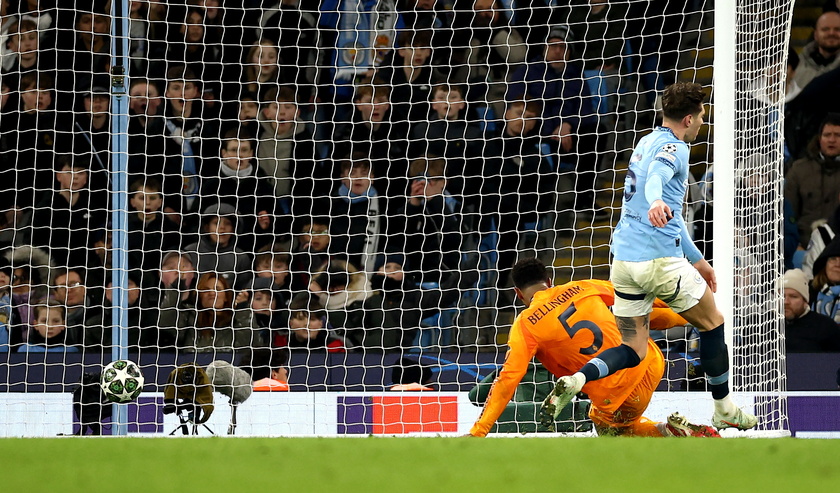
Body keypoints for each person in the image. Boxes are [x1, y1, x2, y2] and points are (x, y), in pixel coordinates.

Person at [546, 82, 758, 432]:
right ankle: (723, 408)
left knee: (633, 349)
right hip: (658, 263)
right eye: (702, 117)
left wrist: (699, 260)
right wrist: (658, 200)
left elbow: (667, 212)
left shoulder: (645, 142)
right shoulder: (675, 148)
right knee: (713, 322)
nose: (702, 122)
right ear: (689, 119)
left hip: (624, 263)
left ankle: (578, 381)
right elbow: (658, 179)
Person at [468, 258, 718, 438]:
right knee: (631, 317)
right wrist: (689, 314)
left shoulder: (525, 325)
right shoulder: (583, 287)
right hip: (648, 359)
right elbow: (644, 307)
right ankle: (671, 430)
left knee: (611, 432)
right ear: (549, 280)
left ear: (517, 294)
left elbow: (508, 378)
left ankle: (670, 433)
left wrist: (479, 431)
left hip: (616, 389)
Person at [785, 113, 840, 247]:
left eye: (838, 135)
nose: (831, 140)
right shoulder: (799, 169)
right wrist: (794, 245)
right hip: (803, 245)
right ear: (819, 138)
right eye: (827, 135)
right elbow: (787, 215)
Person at [783, 268, 840, 352]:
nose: (785, 302)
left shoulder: (825, 327)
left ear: (805, 300)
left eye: (793, 296)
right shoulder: (764, 326)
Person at [792, 12, 840, 92]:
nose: (831, 33)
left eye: (837, 29)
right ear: (815, 34)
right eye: (825, 29)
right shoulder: (797, 66)